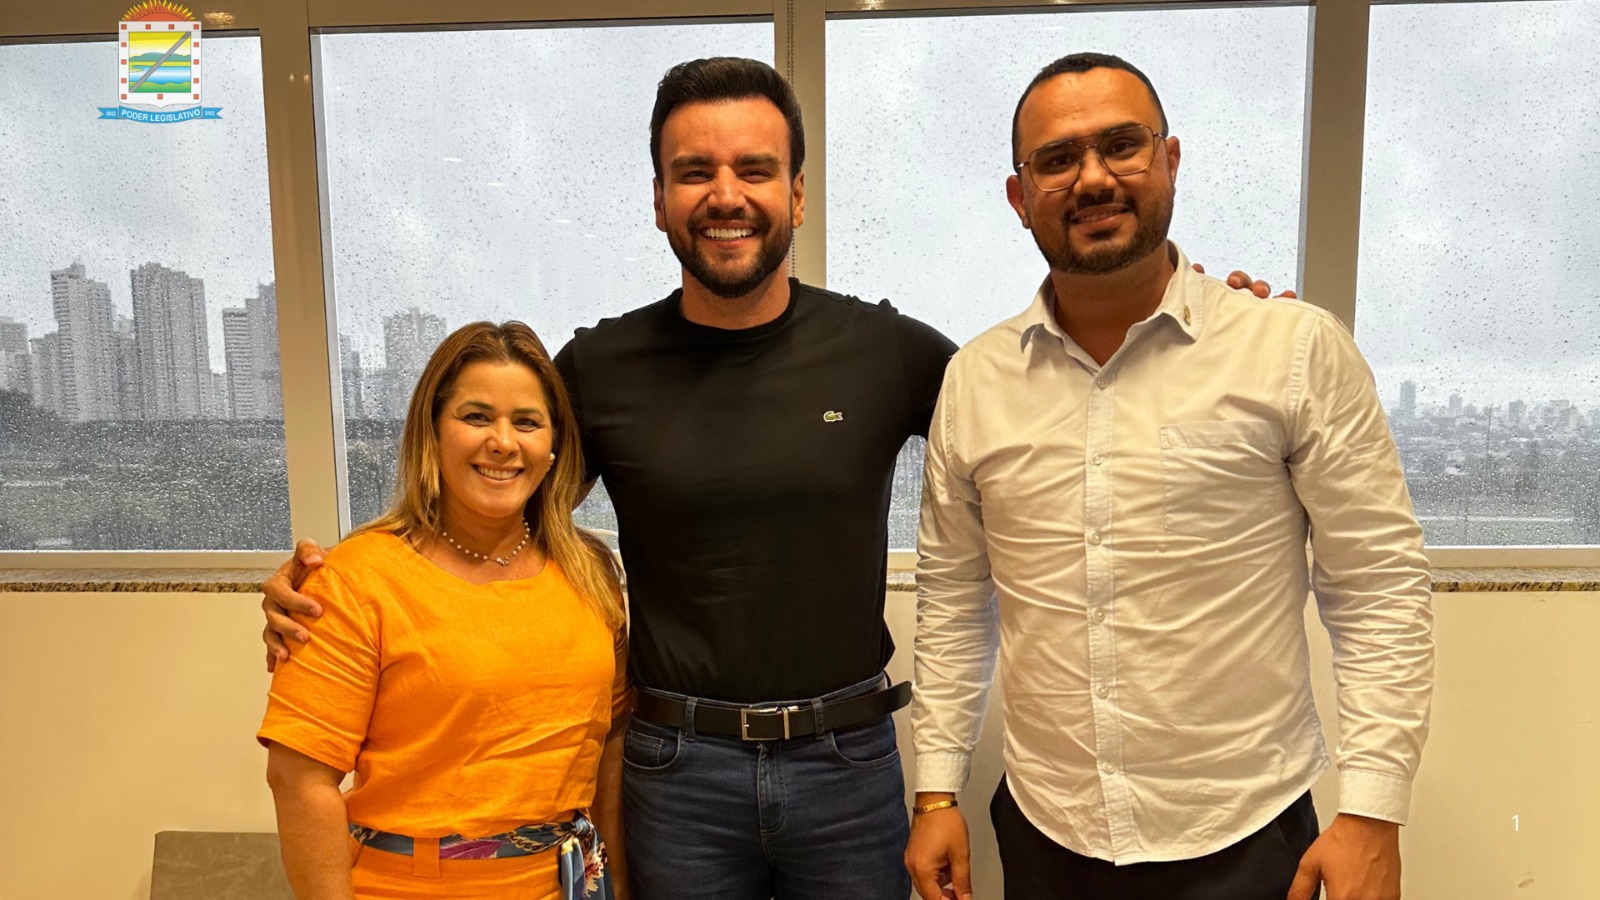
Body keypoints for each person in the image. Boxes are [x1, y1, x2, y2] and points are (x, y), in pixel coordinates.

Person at [260, 58, 1285, 899]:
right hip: (675, 772)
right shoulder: (600, 369)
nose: (726, 195)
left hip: (848, 767)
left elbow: (1058, 403)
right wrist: (341, 588)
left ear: (795, 192)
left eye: (755, 169)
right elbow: (490, 510)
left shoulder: (885, 352)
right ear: (659, 200)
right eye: (693, 171)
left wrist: (1189, 321)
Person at [903, 53, 1432, 900]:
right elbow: (956, 600)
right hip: (1047, 831)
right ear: (1020, 196)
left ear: (1170, 160)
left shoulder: (1290, 349)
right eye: (1057, 159)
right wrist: (936, 789)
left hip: (1246, 832)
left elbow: (1377, 586)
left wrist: (1373, 812)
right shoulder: (976, 380)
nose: (1093, 178)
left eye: (1122, 145)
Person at [258, 321, 631, 900]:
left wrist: (620, 885)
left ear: (554, 446)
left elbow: (611, 744)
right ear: (432, 434)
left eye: (527, 422)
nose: (502, 442)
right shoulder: (356, 578)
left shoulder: (590, 573)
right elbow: (299, 779)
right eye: (476, 417)